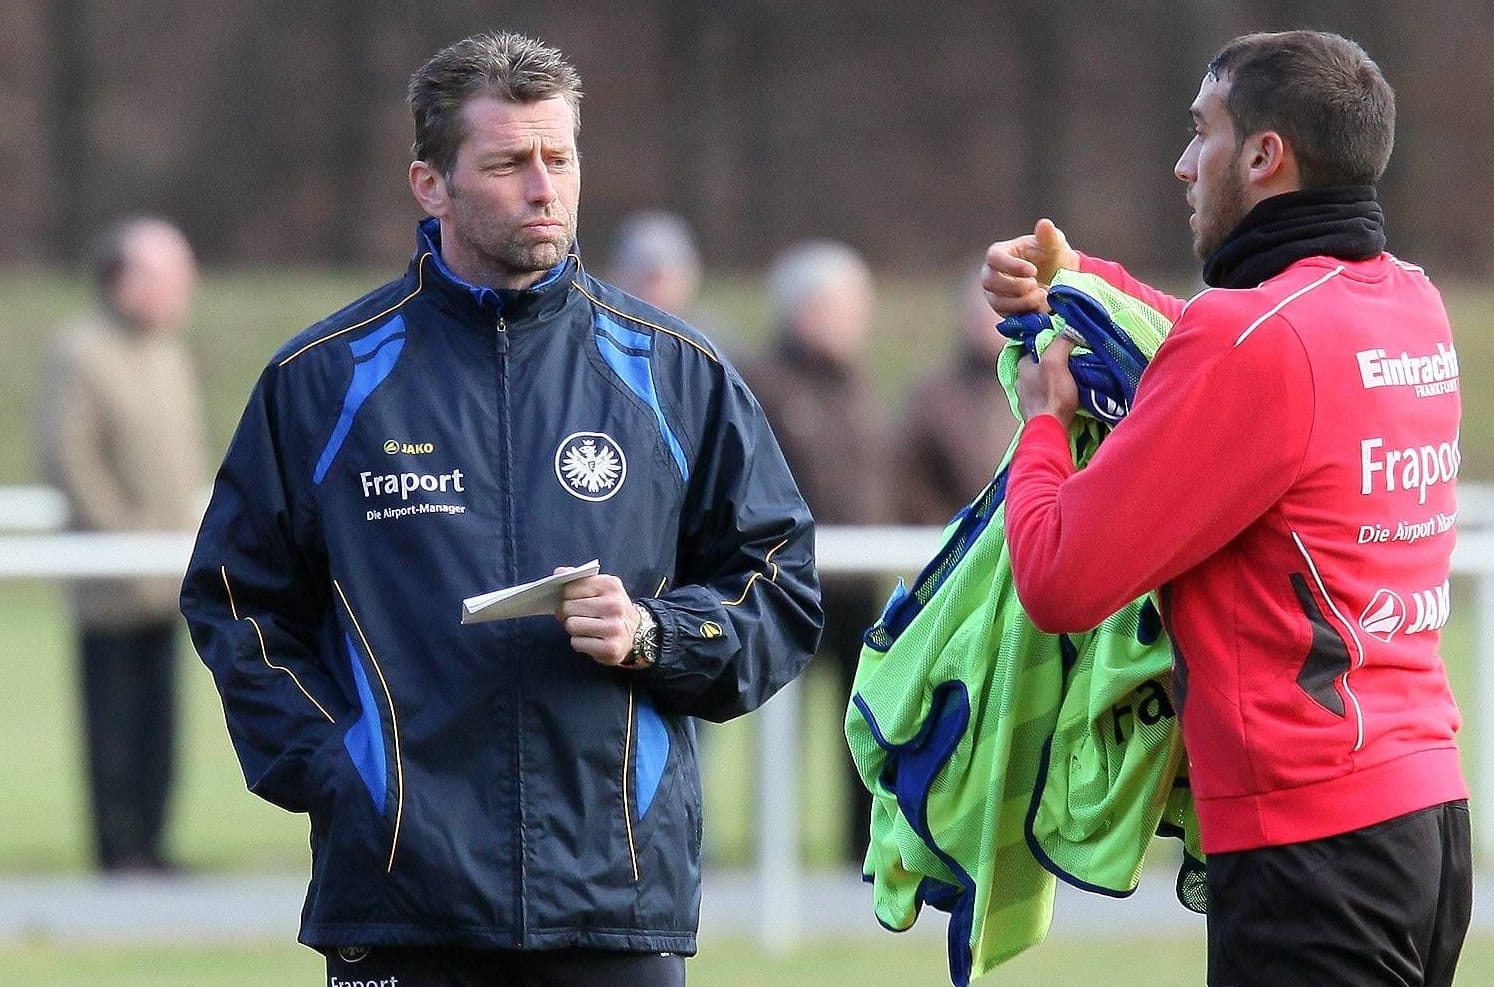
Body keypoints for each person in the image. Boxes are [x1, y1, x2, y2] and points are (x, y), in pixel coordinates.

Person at [180, 31, 820, 987]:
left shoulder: (672, 372)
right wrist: (343, 770)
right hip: (402, 899)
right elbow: (236, 599)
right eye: (509, 162)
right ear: (430, 184)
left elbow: (782, 583)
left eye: (558, 158)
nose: (543, 188)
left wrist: (657, 633)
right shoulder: (322, 380)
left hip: (613, 901)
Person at [983, 31, 1470, 987]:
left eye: (1200, 132)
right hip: (1423, 822)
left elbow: (1058, 576)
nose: (1181, 164)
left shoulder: (1253, 340)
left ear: (1263, 155)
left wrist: (1046, 428)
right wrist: (1086, 284)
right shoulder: (1408, 301)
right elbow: (1236, 362)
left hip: (1310, 845)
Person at [35, 216, 207, 876]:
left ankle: (154, 843)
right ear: (124, 279)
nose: (180, 291)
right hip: (112, 583)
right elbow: (72, 460)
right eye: (168, 277)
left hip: (169, 576)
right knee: (112, 716)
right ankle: (117, 847)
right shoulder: (81, 352)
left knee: (163, 720)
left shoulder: (169, 353)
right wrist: (124, 543)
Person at [737, 240, 890, 865]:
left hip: (860, 589)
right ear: (806, 310)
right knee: (780, 729)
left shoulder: (859, 387)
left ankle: (863, 852)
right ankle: (773, 857)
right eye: (845, 307)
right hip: (786, 585)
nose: (858, 322)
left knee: (866, 726)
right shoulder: (762, 385)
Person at [892, 268, 1017, 525]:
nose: (991, 322)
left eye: (1000, 311)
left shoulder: (1039, 390)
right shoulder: (932, 399)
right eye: (980, 312)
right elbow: (908, 486)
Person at [606, 210, 705, 322]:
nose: (654, 291)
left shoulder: (705, 336)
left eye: (661, 279)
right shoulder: (597, 333)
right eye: (647, 279)